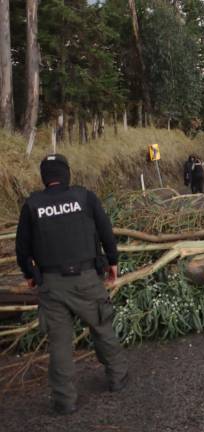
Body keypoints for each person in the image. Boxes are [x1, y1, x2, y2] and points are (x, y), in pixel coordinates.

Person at [15, 154, 128, 415]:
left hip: (52, 285)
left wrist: (30, 274)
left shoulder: (32, 205)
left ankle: (64, 401)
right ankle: (117, 378)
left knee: (60, 344)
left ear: (45, 177)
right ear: (67, 174)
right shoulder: (85, 197)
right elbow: (105, 231)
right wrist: (112, 261)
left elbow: (22, 249)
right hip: (87, 278)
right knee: (102, 328)